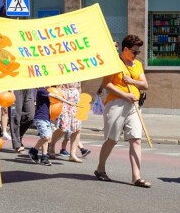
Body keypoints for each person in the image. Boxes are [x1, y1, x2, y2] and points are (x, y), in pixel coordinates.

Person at [94, 34, 150, 188]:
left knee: (136, 139)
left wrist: (132, 81)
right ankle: (100, 169)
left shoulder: (137, 65)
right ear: (125, 49)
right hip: (116, 104)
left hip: (134, 105)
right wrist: (125, 94)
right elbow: (107, 84)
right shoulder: (114, 62)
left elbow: (145, 85)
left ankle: (136, 177)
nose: (136, 55)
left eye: (138, 52)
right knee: (112, 139)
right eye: (134, 52)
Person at [28, 86, 74, 166]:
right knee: (46, 137)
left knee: (47, 139)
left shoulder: (44, 92)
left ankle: (44, 157)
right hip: (40, 118)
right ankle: (33, 151)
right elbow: (56, 96)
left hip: (46, 118)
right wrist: (68, 102)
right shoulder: (41, 90)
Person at [49, 82, 84, 162]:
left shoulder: (78, 71)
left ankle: (72, 154)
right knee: (62, 128)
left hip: (74, 101)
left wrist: (79, 99)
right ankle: (52, 144)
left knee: (77, 128)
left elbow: (79, 87)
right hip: (62, 98)